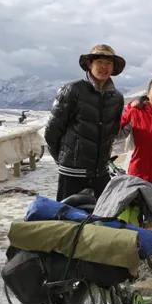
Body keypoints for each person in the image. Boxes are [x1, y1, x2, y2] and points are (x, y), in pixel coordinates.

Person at [45, 44, 125, 201]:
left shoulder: (116, 98)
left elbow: (112, 132)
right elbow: (52, 132)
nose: (104, 67)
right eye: (100, 62)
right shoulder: (72, 90)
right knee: (69, 218)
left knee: (100, 219)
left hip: (101, 172)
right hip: (72, 172)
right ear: (90, 64)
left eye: (108, 63)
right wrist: (64, 161)